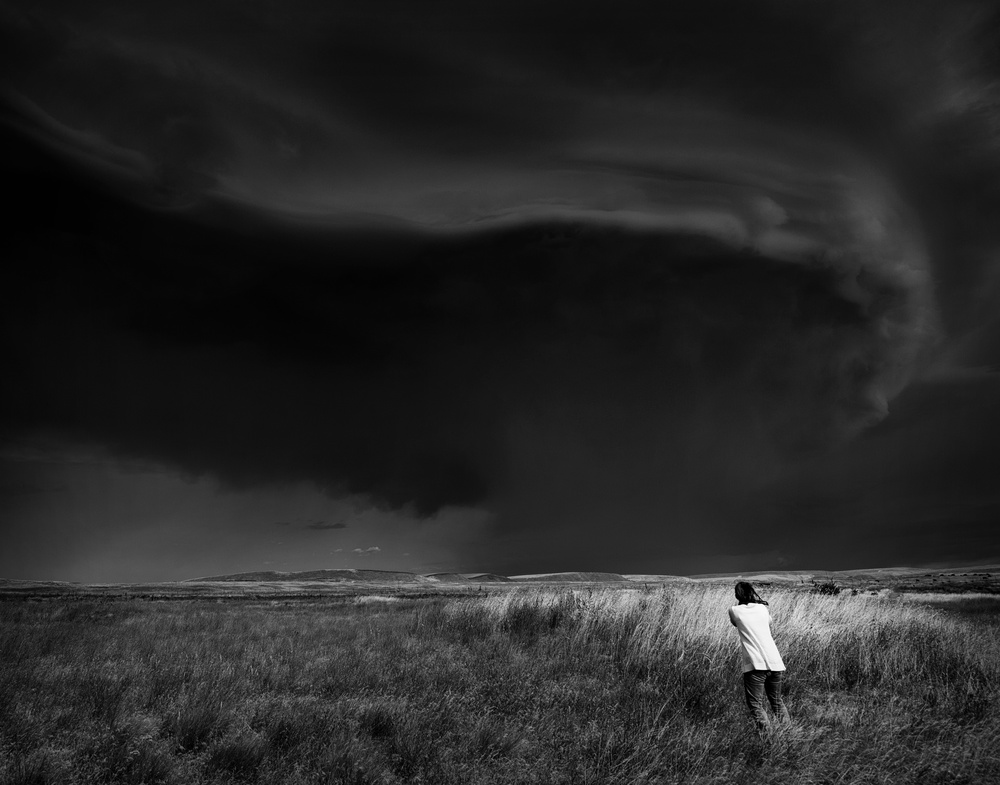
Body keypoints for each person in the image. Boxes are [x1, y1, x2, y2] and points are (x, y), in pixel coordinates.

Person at [728, 581, 790, 733]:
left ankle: (768, 740)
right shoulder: (762, 608)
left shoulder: (734, 610)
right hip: (775, 662)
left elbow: (735, 624)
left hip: (755, 664)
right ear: (752, 592)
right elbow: (769, 623)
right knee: (776, 701)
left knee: (755, 705)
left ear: (737, 595)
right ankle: (789, 735)